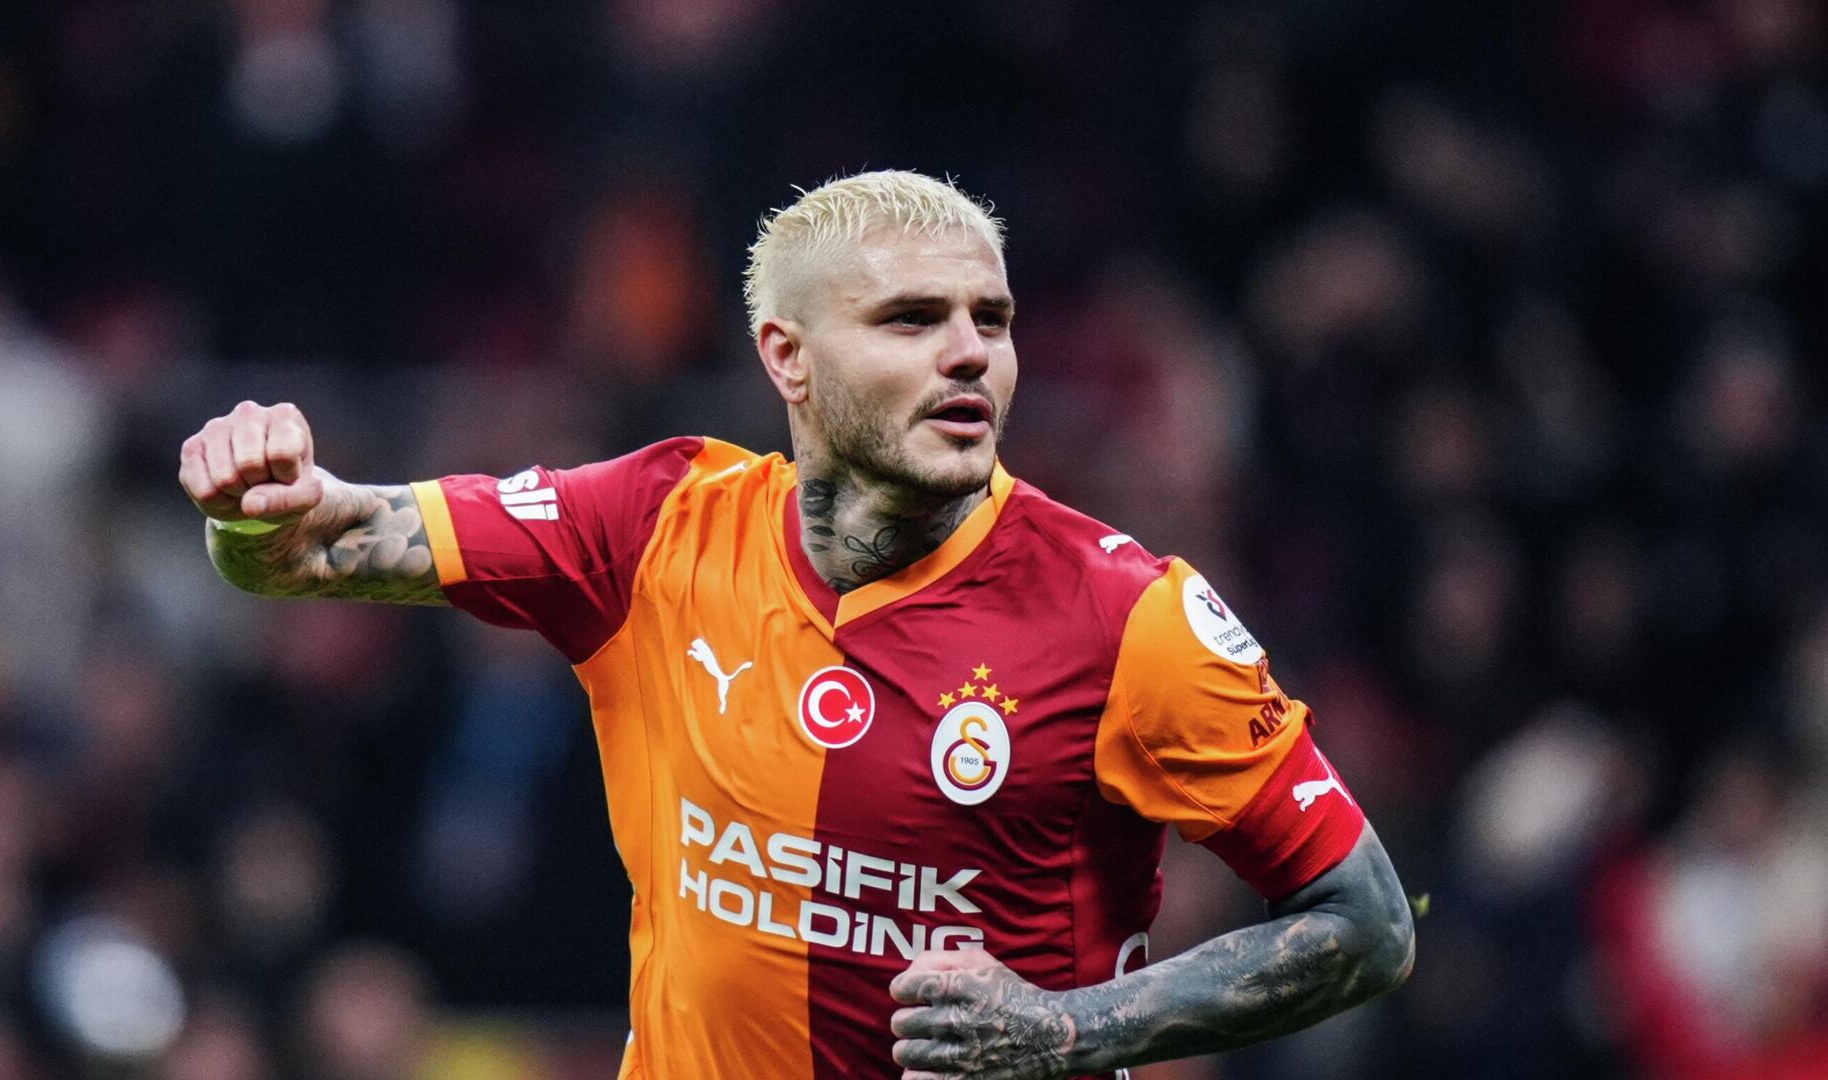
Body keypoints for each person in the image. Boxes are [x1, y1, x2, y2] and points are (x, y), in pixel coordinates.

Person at [178, 170, 1414, 1080]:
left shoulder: (1127, 613)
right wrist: (255, 504)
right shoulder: (657, 524)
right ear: (787, 356)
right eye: (911, 320)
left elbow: (1366, 923)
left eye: (991, 320)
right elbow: (308, 549)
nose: (969, 355)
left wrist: (1069, 1029)